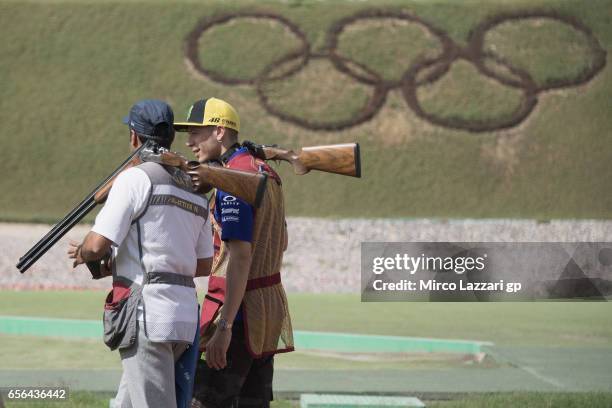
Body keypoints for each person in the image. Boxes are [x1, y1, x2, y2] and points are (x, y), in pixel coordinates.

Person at [67, 99, 213, 408]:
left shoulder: (134, 179)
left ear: (134, 136)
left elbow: (96, 245)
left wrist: (84, 251)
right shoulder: (195, 190)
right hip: (183, 316)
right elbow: (202, 264)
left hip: (148, 314)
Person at [174, 98, 294, 408]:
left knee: (203, 401)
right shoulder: (265, 171)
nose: (189, 142)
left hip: (237, 315)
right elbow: (280, 241)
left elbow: (240, 256)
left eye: (196, 133)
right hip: (266, 310)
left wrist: (225, 326)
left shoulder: (233, 180)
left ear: (218, 131)